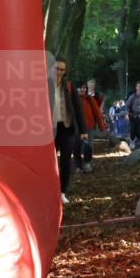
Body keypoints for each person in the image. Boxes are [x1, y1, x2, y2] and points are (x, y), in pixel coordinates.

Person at [50, 57, 87, 205]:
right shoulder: (43, 85)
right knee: (49, 162)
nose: (58, 72)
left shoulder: (69, 86)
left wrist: (83, 130)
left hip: (67, 128)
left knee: (65, 161)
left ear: (65, 72)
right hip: (49, 131)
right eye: (56, 68)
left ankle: (62, 192)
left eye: (61, 69)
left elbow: (78, 109)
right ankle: (48, 190)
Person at [125, 82, 140, 150]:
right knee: (133, 130)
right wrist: (126, 114)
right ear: (136, 87)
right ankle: (132, 141)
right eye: (138, 86)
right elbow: (127, 106)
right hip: (133, 116)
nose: (139, 88)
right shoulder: (132, 96)